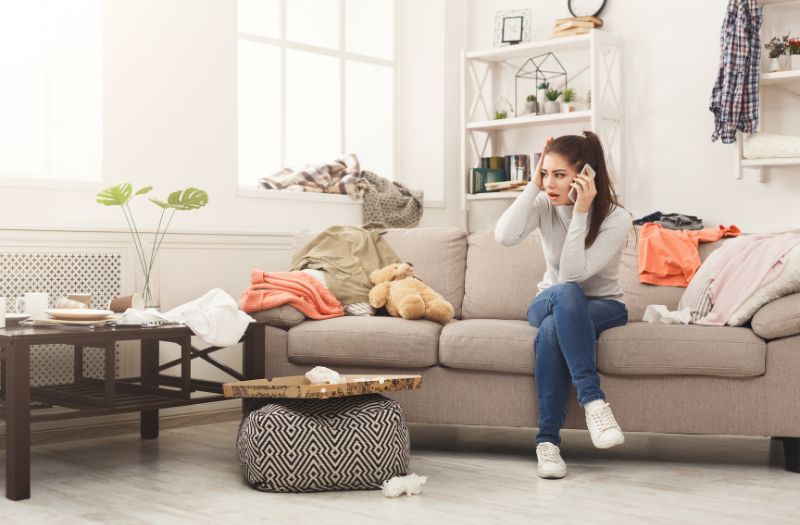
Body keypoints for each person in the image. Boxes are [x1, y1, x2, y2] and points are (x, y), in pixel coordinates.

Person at [494, 131, 633, 479]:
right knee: (565, 297)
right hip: (549, 299)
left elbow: (574, 273)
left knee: (556, 326)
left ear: (585, 176)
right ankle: (594, 403)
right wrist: (532, 184)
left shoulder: (617, 218)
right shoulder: (544, 202)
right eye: (546, 173)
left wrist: (582, 212)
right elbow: (504, 236)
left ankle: (547, 443)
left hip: (604, 306)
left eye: (559, 175)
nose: (550, 183)